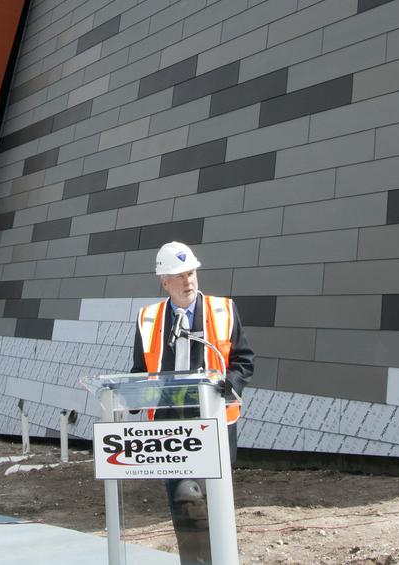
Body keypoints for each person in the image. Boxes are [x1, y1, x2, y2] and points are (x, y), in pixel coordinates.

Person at [130, 241, 254, 565]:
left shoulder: (223, 311)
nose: (188, 281)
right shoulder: (147, 319)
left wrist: (232, 384)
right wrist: (130, 398)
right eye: (179, 276)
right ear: (164, 281)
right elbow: (139, 372)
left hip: (214, 424)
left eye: (191, 273)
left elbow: (243, 361)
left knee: (213, 506)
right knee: (184, 502)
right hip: (171, 428)